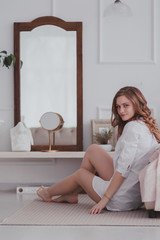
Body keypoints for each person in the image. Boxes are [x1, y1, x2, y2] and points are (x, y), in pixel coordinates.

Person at [37, 86, 160, 214]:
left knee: (81, 174)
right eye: (118, 107)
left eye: (125, 105)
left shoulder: (132, 128)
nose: (121, 111)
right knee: (93, 150)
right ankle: (72, 193)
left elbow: (123, 171)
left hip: (120, 198)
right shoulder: (144, 125)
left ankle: (48, 192)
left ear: (136, 104)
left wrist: (104, 200)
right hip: (134, 194)